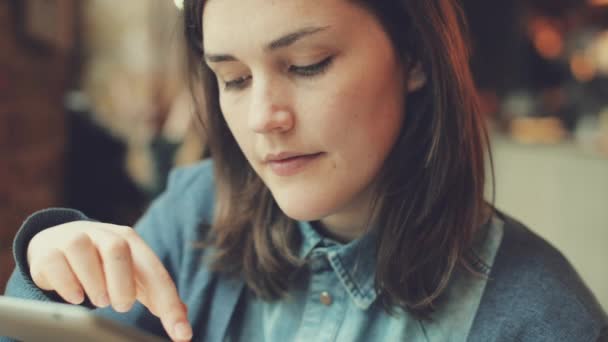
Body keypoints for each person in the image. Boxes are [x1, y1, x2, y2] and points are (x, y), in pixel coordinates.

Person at [3, 0, 607, 341]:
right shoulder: (194, 215)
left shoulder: (543, 319)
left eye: (308, 64)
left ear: (416, 57)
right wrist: (48, 281)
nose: (264, 118)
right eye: (233, 79)